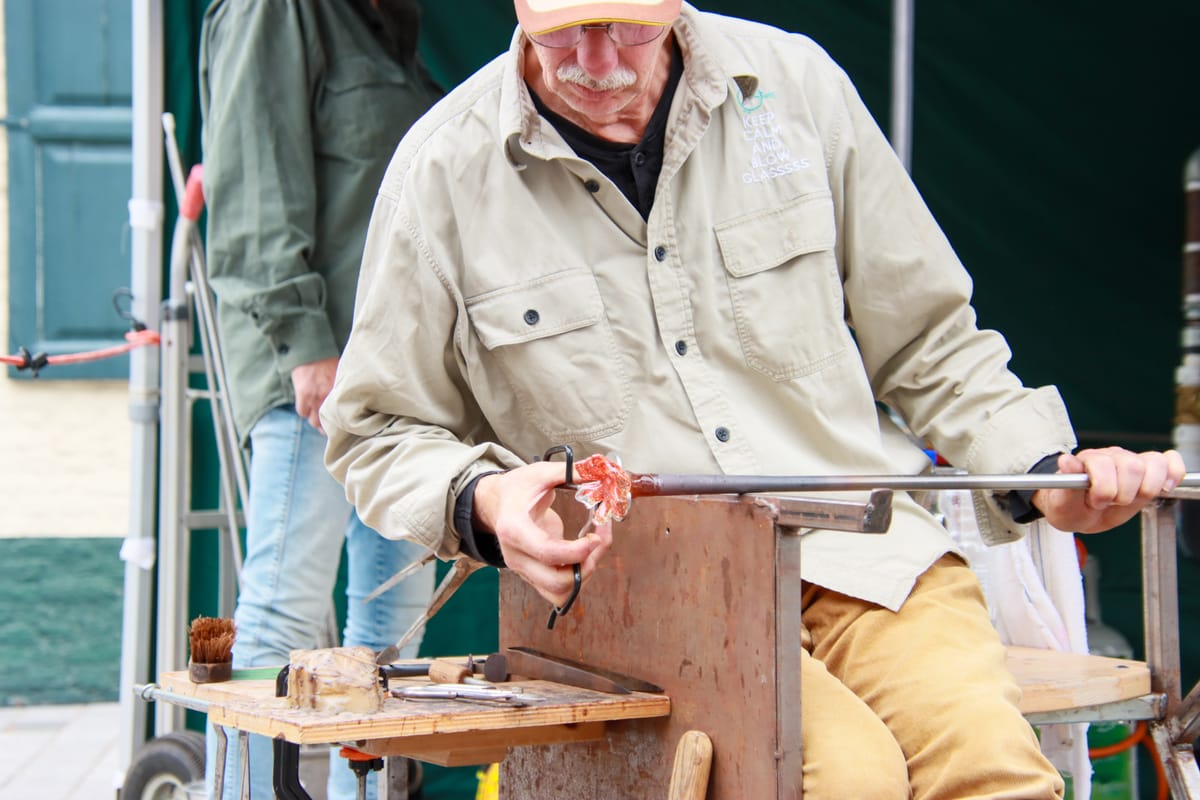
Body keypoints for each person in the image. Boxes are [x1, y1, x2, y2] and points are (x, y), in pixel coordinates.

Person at [321, 1, 1186, 797]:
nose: (595, 62)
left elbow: (928, 338)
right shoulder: (444, 169)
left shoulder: (796, 87)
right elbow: (374, 432)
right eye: (562, 31)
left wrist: (1039, 472)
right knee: (845, 779)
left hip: (864, 551)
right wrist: (482, 498)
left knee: (992, 773)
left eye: (624, 27)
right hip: (642, 589)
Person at [197, 1, 440, 797]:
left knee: (389, 640)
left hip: (401, 383)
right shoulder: (277, 10)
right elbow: (251, 188)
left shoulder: (386, 22)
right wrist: (304, 346)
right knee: (279, 624)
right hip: (318, 373)